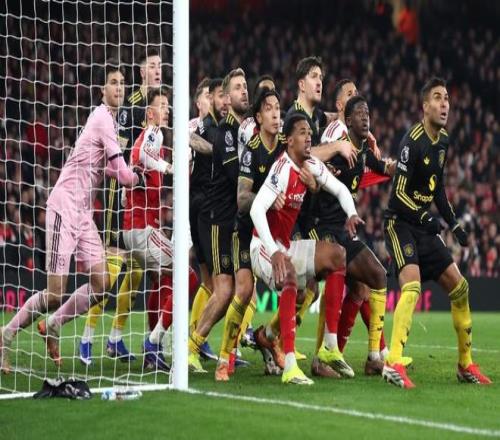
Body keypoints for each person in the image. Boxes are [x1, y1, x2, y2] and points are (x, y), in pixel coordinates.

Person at [0, 60, 146, 371]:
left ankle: (53, 325)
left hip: (83, 214)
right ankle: (6, 335)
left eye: (123, 83)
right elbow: (122, 174)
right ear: (102, 90)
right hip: (64, 208)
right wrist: (137, 176)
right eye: (114, 82)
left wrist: (127, 171)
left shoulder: (108, 122)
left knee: (101, 282)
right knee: (55, 293)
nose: (120, 88)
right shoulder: (102, 118)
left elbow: (106, 168)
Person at [382, 77, 491, 388]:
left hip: (424, 226)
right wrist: (422, 215)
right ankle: (393, 362)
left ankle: (465, 365)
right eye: (438, 98)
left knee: (461, 288)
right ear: (424, 106)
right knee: (412, 287)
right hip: (400, 224)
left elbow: (438, 187)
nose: (445, 104)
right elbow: (397, 195)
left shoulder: (443, 140)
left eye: (447, 99)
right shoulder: (412, 142)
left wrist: (453, 222)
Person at [250, 112, 364, 385]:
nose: (308, 136)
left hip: (286, 244)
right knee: (290, 275)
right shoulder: (281, 169)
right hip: (262, 245)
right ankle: (290, 366)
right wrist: (273, 251)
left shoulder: (311, 164)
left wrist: (351, 212)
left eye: (310, 132)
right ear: (289, 140)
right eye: (302, 132)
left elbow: (340, 190)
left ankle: (329, 346)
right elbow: (256, 209)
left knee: (338, 255)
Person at [79, 48, 163, 364]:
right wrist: (127, 190)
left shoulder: (158, 105)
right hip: (123, 194)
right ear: (141, 72)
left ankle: (115, 337)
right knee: (112, 266)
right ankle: (86, 338)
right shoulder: (131, 106)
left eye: (160, 66)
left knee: (138, 269)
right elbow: (121, 155)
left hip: (144, 198)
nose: (158, 70)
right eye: (152, 66)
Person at [309, 95, 395, 376]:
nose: (365, 117)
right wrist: (326, 169)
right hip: (323, 227)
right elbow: (310, 157)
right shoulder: (338, 148)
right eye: (359, 113)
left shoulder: (365, 150)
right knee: (313, 288)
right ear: (347, 120)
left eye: (367, 112)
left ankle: (372, 356)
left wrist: (405, 165)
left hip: (344, 228)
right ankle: (322, 354)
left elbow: (385, 168)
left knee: (375, 278)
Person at [215, 88, 286, 381]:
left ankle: (268, 337)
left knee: (297, 287)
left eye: (278, 108)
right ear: (258, 117)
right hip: (244, 231)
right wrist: (267, 198)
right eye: (269, 109)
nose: (276, 114)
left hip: (274, 232)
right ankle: (224, 358)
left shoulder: (285, 146)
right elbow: (242, 197)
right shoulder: (252, 151)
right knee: (243, 291)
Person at [187, 68, 249, 373]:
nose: (243, 91)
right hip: (217, 219)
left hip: (232, 221)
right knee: (223, 290)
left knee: (237, 291)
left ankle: (223, 351)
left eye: (244, 86)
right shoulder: (225, 132)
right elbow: (237, 177)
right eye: (236, 88)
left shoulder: (242, 131)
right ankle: (191, 347)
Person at [189, 77, 228, 361]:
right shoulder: (208, 126)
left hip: (202, 206)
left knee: (210, 283)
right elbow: (191, 138)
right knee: (222, 285)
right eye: (220, 95)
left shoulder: (214, 127)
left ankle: (195, 340)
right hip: (206, 208)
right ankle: (193, 341)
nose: (225, 101)